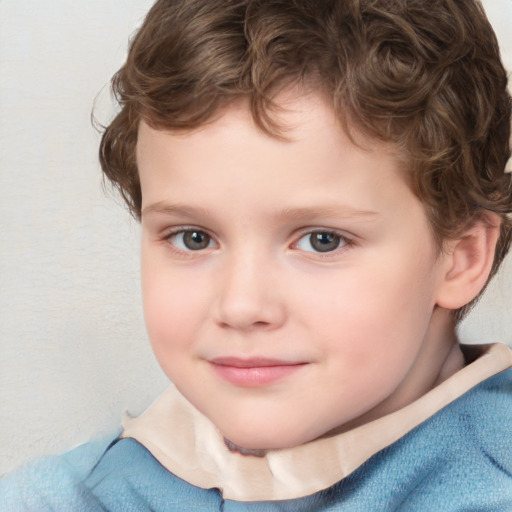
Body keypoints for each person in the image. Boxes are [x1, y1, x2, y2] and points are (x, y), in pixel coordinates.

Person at [2, 0, 512, 510]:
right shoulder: (80, 494)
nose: (241, 306)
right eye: (193, 238)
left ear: (461, 257)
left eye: (321, 240)